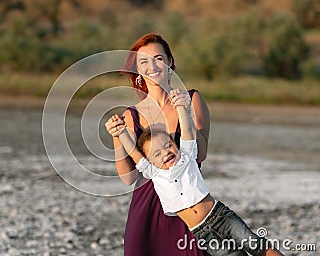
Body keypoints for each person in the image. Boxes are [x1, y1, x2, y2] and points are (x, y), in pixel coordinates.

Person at [109, 89, 284, 256]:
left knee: (257, 246)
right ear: (150, 161)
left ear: (175, 144)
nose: (165, 153)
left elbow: (187, 131)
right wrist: (120, 132)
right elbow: (133, 153)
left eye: (168, 145)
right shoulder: (152, 173)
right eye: (157, 153)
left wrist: (181, 108)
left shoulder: (187, 157)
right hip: (201, 233)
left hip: (220, 216)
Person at [105, 33, 210, 255]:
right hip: (147, 207)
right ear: (138, 71)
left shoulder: (192, 99)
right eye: (143, 61)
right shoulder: (131, 115)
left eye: (158, 58)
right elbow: (129, 178)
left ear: (169, 61)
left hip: (189, 204)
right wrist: (117, 139)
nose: (152, 66)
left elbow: (200, 155)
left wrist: (185, 113)